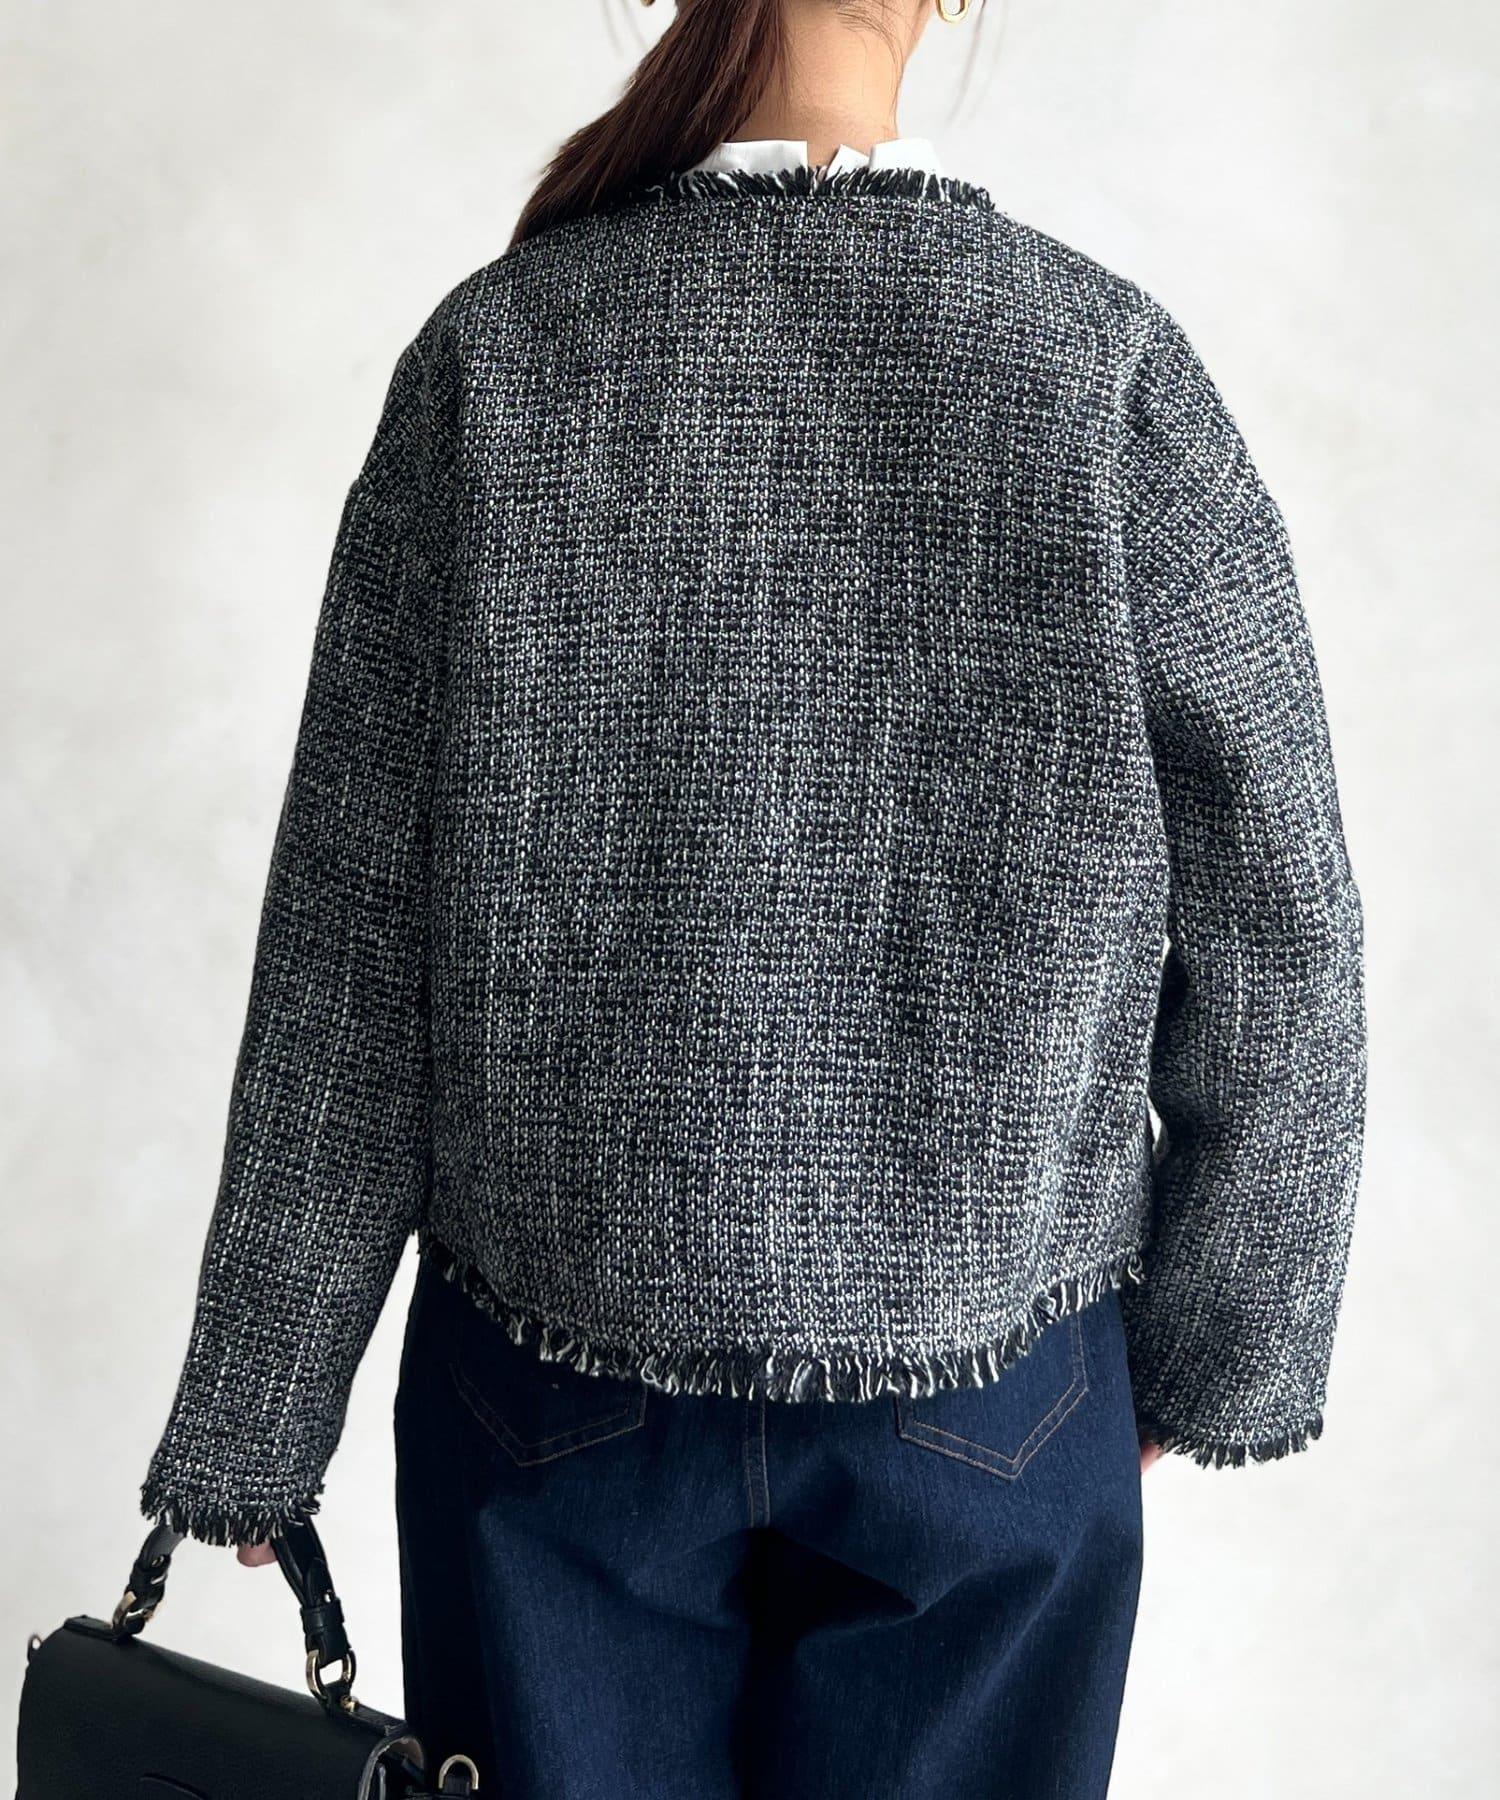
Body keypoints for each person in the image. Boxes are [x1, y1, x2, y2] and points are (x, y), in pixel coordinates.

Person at [137, 1, 1367, 1794]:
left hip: (549, 1381)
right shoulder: (1102, 367)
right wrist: (1211, 1355)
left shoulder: (500, 356)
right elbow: (1283, 924)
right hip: (996, 1379)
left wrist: (264, 1393)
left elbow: (353, 931)